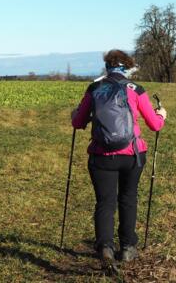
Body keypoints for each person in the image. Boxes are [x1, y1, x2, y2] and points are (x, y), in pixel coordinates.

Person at [71, 50, 167, 266]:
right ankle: (127, 248)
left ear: (107, 66)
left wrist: (74, 114)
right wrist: (161, 115)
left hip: (101, 156)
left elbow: (78, 123)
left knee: (105, 202)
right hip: (132, 155)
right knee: (128, 199)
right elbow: (155, 124)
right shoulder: (135, 90)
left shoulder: (95, 88)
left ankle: (105, 248)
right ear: (128, 67)